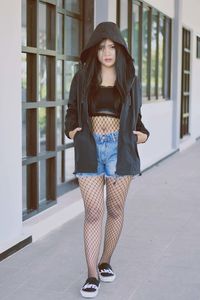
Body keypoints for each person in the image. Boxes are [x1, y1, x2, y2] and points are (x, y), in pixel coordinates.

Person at [65, 22, 150, 298]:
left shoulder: (131, 80)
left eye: (112, 46)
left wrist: (142, 135)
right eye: (101, 47)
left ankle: (105, 261)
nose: (107, 52)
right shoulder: (82, 78)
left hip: (119, 149)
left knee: (114, 209)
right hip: (89, 148)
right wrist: (71, 131)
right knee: (93, 212)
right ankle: (91, 275)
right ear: (95, 50)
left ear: (120, 49)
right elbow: (71, 111)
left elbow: (136, 117)